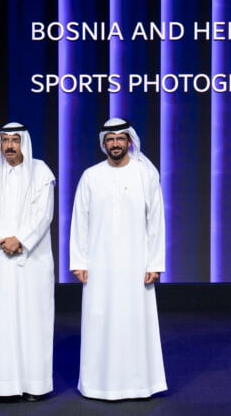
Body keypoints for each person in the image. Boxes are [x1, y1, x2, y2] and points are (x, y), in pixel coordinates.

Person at [69, 118, 167, 400]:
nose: (115, 144)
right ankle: (98, 385)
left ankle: (138, 385)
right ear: (104, 144)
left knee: (135, 321)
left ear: (129, 141)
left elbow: (156, 221)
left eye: (119, 139)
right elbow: (80, 220)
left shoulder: (145, 174)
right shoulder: (91, 176)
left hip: (137, 264)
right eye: (109, 139)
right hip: (99, 265)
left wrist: (155, 264)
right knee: (100, 320)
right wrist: (79, 261)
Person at [0, 122, 55, 402]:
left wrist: (20, 239)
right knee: (0, 321)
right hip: (0, 260)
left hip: (32, 260)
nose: (10, 146)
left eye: (15, 140)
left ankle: (34, 385)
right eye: (5, 140)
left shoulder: (42, 173)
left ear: (24, 143)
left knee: (33, 320)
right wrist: (3, 241)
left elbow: (44, 215)